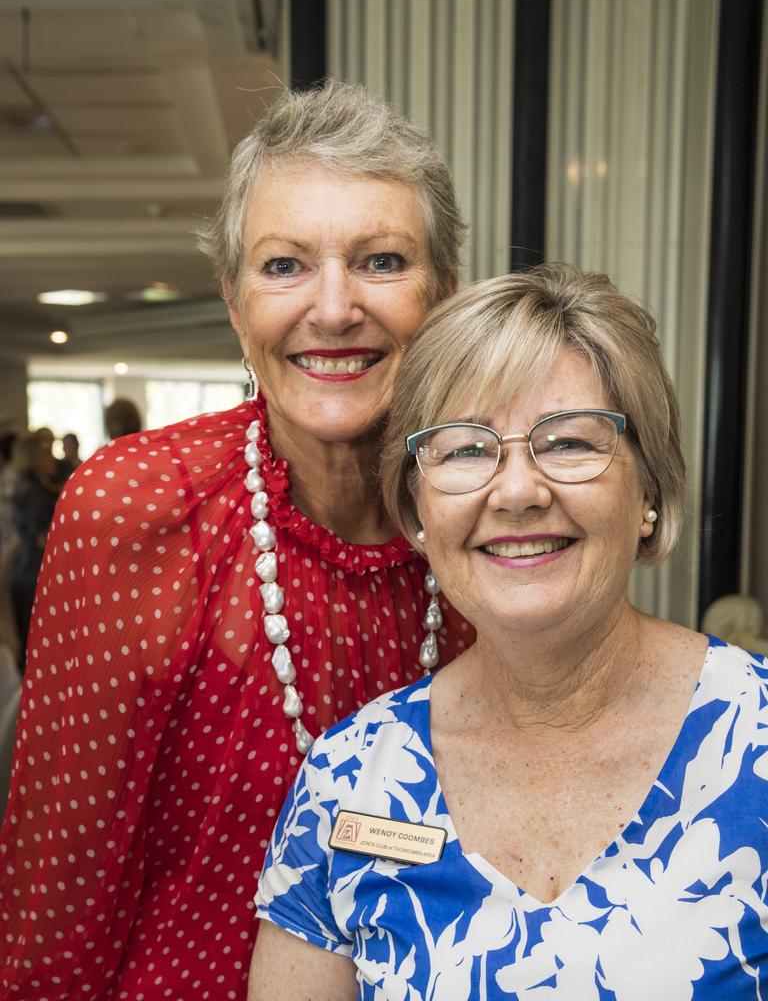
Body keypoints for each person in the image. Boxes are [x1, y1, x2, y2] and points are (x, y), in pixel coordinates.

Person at [0, 80, 473, 999]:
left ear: (443, 294)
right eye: (285, 266)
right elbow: (53, 897)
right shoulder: (136, 510)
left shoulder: (483, 513)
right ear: (232, 302)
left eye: (380, 261)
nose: (334, 309)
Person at [252, 265, 768, 999]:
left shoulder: (759, 742)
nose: (519, 491)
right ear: (419, 510)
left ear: (649, 488)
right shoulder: (348, 780)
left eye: (569, 443)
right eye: (464, 449)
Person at [8, 433, 58, 658]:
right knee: (37, 645)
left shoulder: (30, 486)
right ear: (33, 458)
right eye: (46, 453)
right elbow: (44, 537)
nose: (52, 459)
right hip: (33, 573)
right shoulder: (34, 493)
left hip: (26, 569)